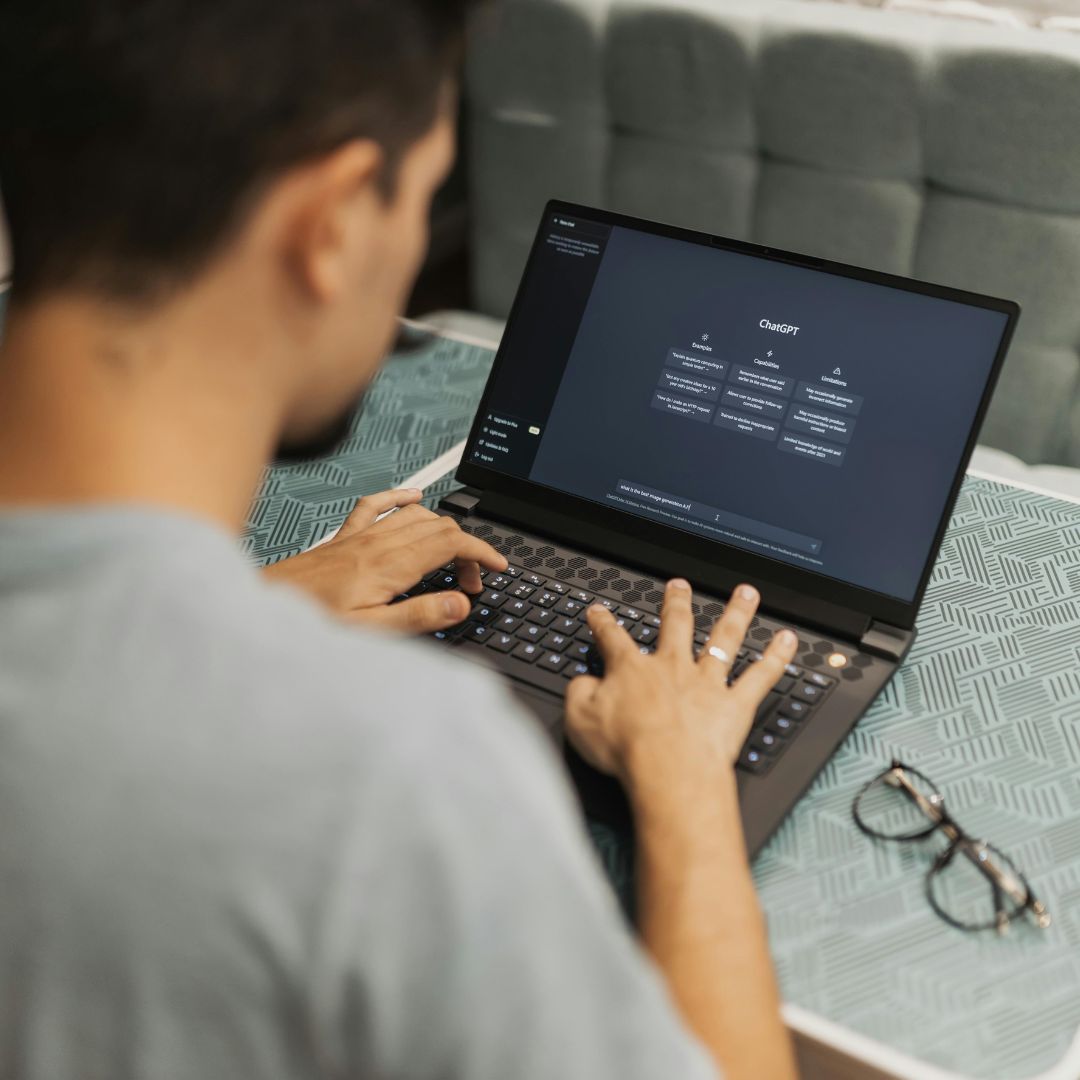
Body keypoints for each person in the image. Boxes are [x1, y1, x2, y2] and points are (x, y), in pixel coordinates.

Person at [0, 3, 799, 1078]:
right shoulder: (396, 774)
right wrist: (686, 781)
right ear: (332, 222)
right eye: (423, 195)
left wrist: (252, 611)